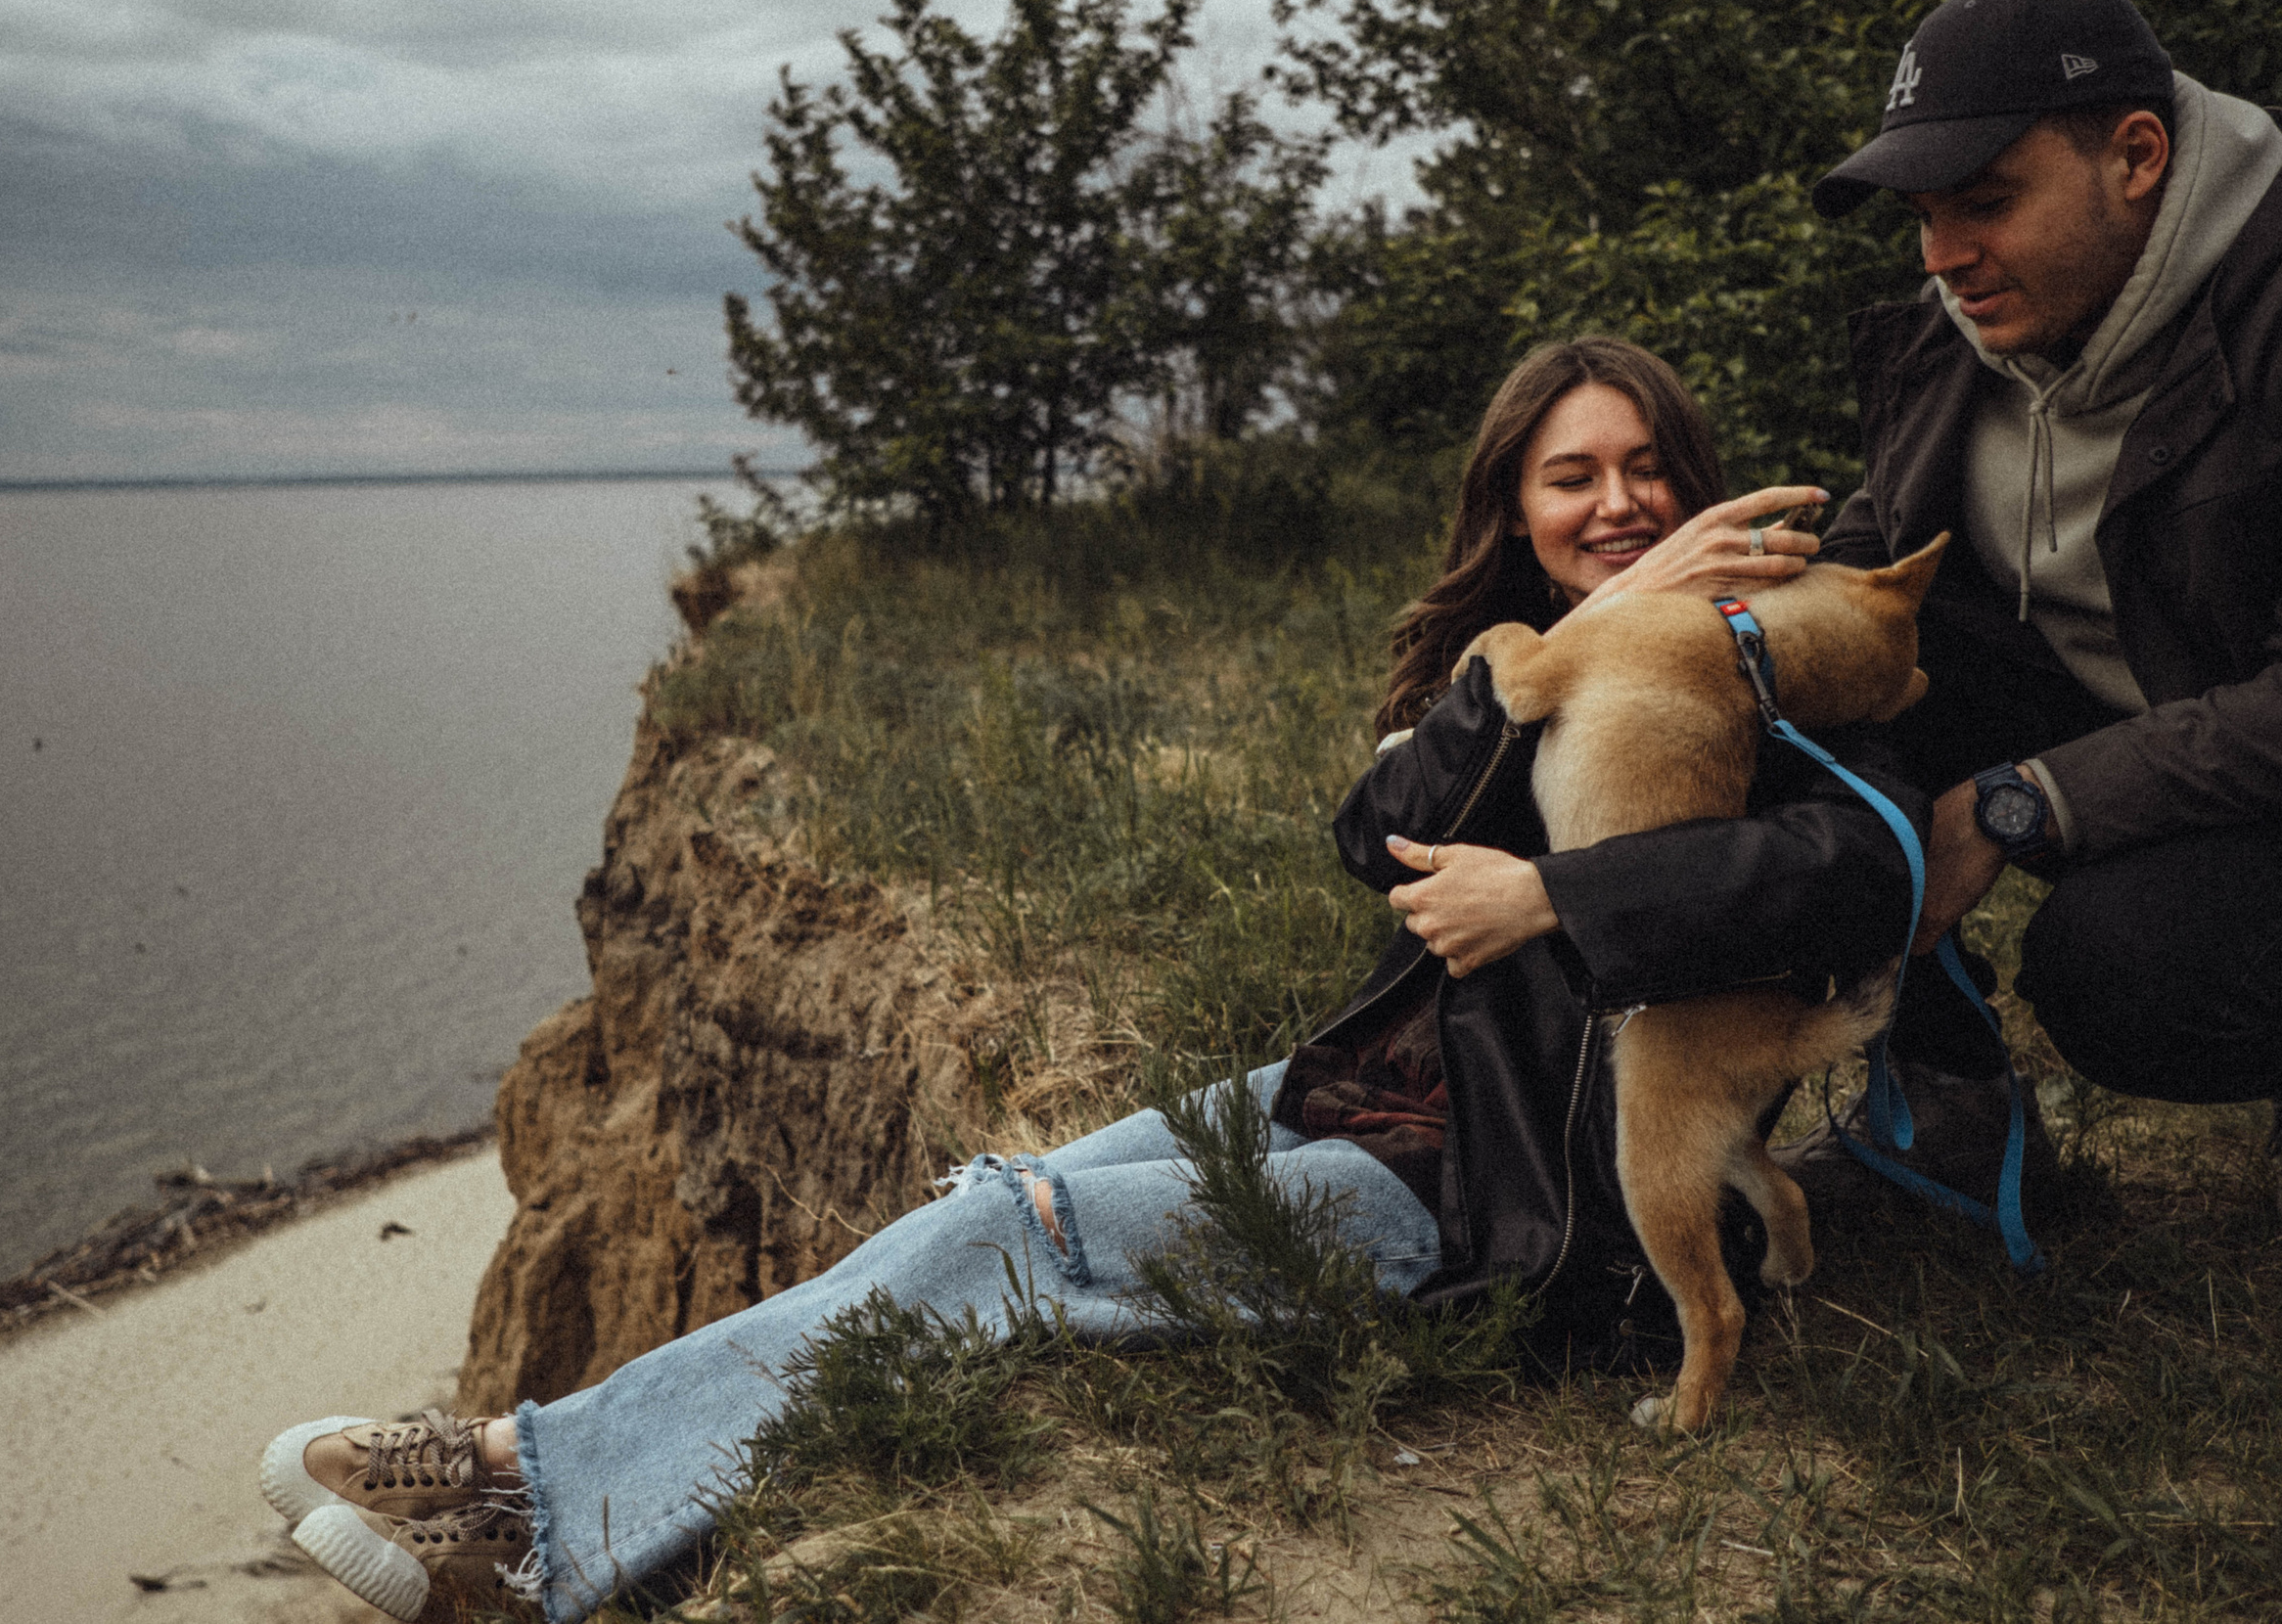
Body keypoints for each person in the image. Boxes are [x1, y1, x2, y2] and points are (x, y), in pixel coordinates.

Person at [258, 339, 1922, 1622]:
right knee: (1019, 1184)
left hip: (1518, 1211)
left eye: (1645, 472)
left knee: (1010, 1245)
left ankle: (520, 1505)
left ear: (1704, 485)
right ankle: (556, 1479)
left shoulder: (1782, 659)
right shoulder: (1529, 658)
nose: (1615, 503)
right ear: (1518, 507)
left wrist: (1563, 888)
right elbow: (1385, 835)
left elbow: (1855, 872)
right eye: (1575, 478)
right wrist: (1612, 622)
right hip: (1388, 1090)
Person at [1787, 0, 2282, 1207]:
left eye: (1986, 202)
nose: (1944, 255)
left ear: (2135, 155)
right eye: (1920, 215)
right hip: (2178, 756)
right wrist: (1732, 629)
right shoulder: (1968, 332)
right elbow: (1878, 556)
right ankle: (1944, 1114)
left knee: (2125, 970)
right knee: (1821, 685)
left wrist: (2025, 800)